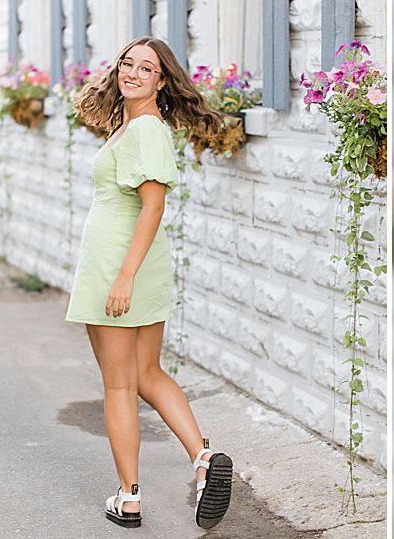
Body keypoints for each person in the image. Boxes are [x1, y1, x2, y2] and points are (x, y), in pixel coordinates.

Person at [67, 36, 232, 529]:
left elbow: (153, 207)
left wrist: (123, 277)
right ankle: (203, 458)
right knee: (145, 373)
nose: (133, 73)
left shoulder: (145, 130)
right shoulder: (134, 125)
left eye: (146, 68)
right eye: (127, 63)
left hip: (118, 266)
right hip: (133, 264)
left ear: (162, 82)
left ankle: (129, 496)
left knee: (119, 385)